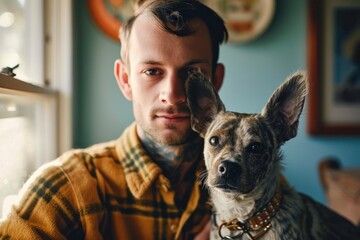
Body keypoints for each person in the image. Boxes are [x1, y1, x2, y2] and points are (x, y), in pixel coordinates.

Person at [0, 0, 228, 239]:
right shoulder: (64, 189)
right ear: (125, 80)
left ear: (215, 80)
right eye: (152, 71)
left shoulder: (253, 181)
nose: (172, 96)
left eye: (192, 73)